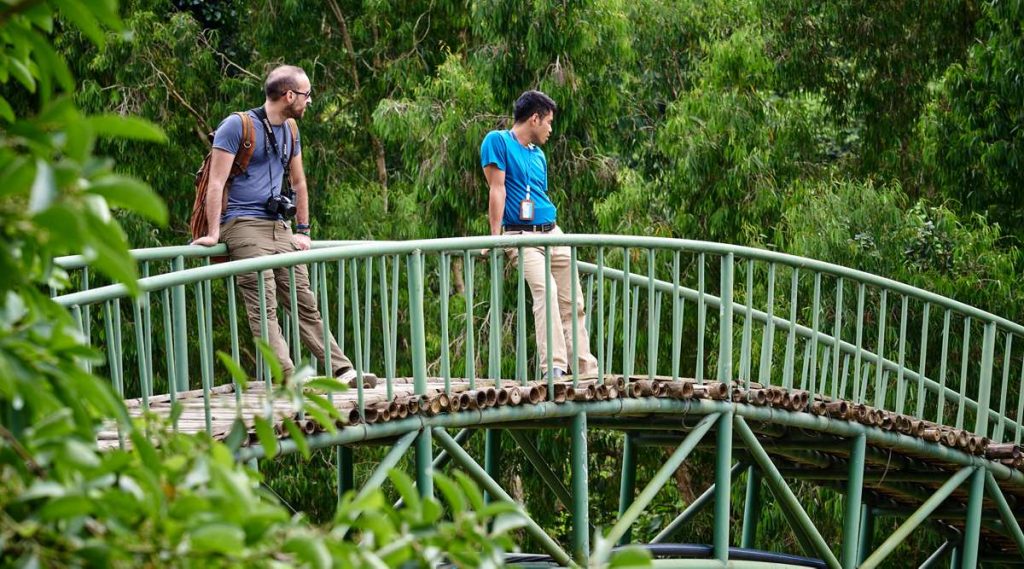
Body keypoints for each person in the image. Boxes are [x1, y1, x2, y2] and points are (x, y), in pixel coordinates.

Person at [191, 65, 371, 386]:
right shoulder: (237, 126)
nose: (309, 101)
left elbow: (299, 183)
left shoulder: (290, 129)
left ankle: (343, 371)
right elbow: (215, 183)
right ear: (289, 96)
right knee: (264, 305)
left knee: (304, 302)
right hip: (243, 224)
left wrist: (303, 230)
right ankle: (290, 378)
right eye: (306, 95)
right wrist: (214, 234)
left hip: (279, 226)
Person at [480, 90, 598, 379]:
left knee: (574, 302)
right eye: (548, 122)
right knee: (546, 290)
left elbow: (539, 194)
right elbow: (497, 189)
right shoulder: (498, 142)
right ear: (534, 118)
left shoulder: (539, 155)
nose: (550, 129)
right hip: (521, 237)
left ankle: (585, 371)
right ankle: (554, 368)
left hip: (552, 233)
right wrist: (495, 238)